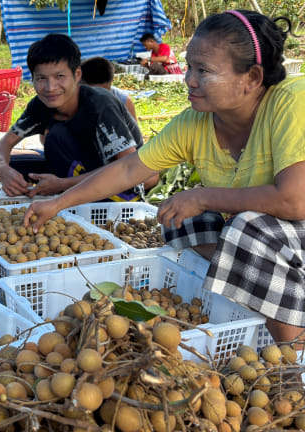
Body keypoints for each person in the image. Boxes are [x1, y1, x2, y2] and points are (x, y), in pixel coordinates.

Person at [25, 11, 305, 345]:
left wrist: (201, 196)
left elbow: (294, 200)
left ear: (252, 77)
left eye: (204, 71)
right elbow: (128, 170)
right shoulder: (196, 122)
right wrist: (57, 203)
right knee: (179, 218)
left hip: (290, 227)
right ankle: (251, 297)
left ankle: (293, 352)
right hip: (276, 238)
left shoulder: (290, 101)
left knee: (245, 228)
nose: (189, 80)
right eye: (189, 67)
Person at [0, 34, 158, 200]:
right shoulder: (40, 104)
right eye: (41, 78)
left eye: (59, 76)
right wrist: (3, 169)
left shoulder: (100, 105)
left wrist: (62, 184)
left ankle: (71, 196)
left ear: (77, 75)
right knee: (15, 167)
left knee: (56, 137)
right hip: (84, 168)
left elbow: (129, 168)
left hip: (125, 182)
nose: (50, 87)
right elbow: (3, 145)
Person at [80, 56, 138, 121]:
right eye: (95, 91)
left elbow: (132, 126)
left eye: (105, 90)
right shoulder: (74, 101)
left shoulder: (123, 100)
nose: (100, 96)